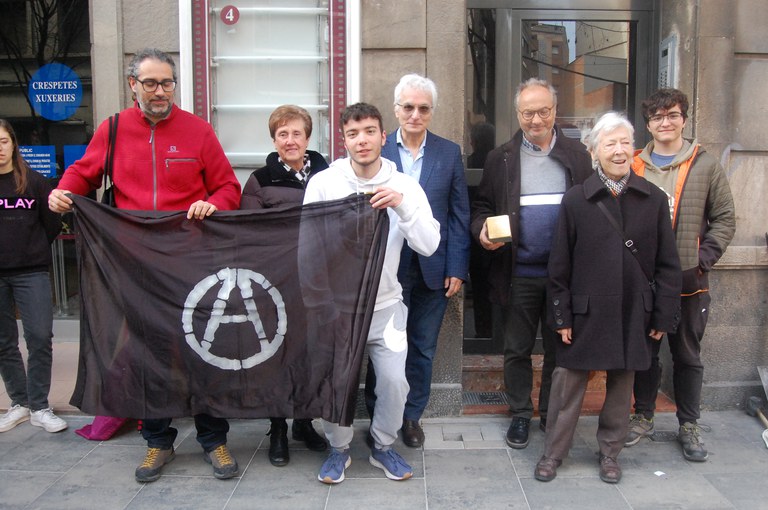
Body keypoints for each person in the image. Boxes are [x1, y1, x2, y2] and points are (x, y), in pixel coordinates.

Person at [48, 48, 242, 483]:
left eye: (167, 83)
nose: (160, 91)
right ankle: (158, 442)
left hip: (190, 260)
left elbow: (228, 187)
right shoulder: (113, 129)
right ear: (133, 84)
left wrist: (212, 204)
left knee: (201, 350)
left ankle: (215, 439)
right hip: (132, 262)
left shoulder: (198, 131)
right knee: (146, 356)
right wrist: (62, 191)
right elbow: (83, 174)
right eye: (151, 83)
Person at [534, 112, 681, 484]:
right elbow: (559, 266)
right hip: (584, 313)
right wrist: (561, 317)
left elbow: (667, 264)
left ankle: (610, 454)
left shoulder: (652, 199)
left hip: (633, 311)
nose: (618, 151)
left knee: (621, 388)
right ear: (593, 150)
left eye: (624, 143)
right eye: (609, 143)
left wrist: (663, 317)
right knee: (567, 385)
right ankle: (553, 453)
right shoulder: (576, 200)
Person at [303, 102, 440, 484]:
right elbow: (307, 248)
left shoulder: (405, 186)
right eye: (352, 133)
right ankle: (338, 449)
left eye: (368, 131)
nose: (361, 140)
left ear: (383, 136)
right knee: (338, 383)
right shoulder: (323, 184)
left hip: (387, 306)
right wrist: (319, 303)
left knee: (395, 382)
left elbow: (430, 244)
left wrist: (402, 209)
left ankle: (382, 445)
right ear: (343, 140)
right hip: (338, 309)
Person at [470, 78, 592, 448]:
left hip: (564, 278)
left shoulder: (578, 154)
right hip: (517, 273)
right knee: (517, 349)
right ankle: (520, 415)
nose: (536, 119)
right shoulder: (501, 157)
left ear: (555, 111)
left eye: (543, 111)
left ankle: (550, 414)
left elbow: (591, 209)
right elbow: (482, 209)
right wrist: (481, 232)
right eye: (528, 112)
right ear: (518, 114)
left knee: (559, 351)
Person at [625, 88, 736, 461]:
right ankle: (642, 416)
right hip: (644, 278)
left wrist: (704, 258)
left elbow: (725, 218)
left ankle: (688, 424)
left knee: (687, 354)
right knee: (644, 353)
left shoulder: (704, 163)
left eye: (672, 115)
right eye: (657, 117)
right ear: (649, 124)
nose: (665, 122)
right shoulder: (635, 163)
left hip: (690, 278)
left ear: (684, 119)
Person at [364, 74, 470, 448]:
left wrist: (457, 266)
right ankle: (378, 415)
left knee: (422, 347)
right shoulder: (376, 149)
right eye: (407, 107)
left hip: (433, 269)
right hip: (385, 267)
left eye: (423, 108)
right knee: (385, 347)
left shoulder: (448, 152)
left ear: (431, 112)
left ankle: (410, 417)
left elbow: (459, 214)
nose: (415, 114)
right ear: (396, 110)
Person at [240, 105, 329, 465]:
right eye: (282, 134)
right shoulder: (260, 180)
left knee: (312, 352)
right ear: (274, 139)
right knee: (277, 355)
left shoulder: (330, 173)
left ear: (308, 138)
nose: (290, 140)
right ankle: (277, 427)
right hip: (276, 283)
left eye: (296, 133)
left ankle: (304, 423)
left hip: (320, 281)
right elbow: (247, 233)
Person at [0, 119, 66, 434]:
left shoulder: (35, 182)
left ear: (13, 144)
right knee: (3, 341)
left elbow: (51, 224)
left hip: (32, 272)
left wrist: (32, 249)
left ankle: (40, 406)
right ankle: (20, 404)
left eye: (3, 142)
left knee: (40, 337)